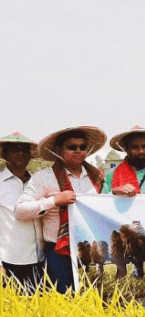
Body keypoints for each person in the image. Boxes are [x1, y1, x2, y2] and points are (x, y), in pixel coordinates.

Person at [16, 126, 106, 293]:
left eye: (82, 147)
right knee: (64, 297)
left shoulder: (98, 178)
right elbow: (20, 210)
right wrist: (54, 201)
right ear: (58, 150)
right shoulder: (44, 178)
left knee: (95, 296)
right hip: (59, 251)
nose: (78, 151)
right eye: (72, 147)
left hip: (91, 249)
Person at [0, 132, 44, 292]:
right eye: (14, 150)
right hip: (10, 261)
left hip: (40, 260)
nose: (21, 154)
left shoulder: (39, 183)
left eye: (25, 150)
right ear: (4, 154)